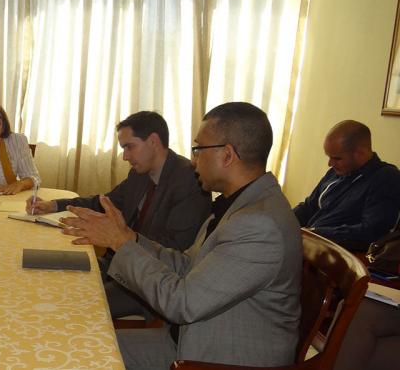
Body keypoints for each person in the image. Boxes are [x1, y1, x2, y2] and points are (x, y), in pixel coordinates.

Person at [62, 102, 302, 369]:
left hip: (213, 359)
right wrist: (129, 238)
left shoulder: (259, 224)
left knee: (79, 355)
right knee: (78, 341)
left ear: (227, 155)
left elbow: (182, 302)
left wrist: (120, 243)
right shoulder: (238, 205)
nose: (193, 159)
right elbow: (187, 265)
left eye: (198, 149)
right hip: (187, 340)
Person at [26, 111, 211, 319]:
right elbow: (104, 203)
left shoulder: (189, 180)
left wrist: (119, 238)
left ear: (153, 141)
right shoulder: (139, 175)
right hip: (119, 263)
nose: (125, 156)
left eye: (129, 147)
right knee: (50, 279)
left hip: (150, 281)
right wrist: (54, 205)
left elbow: (177, 248)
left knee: (71, 305)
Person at [294, 120, 400, 251]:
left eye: (337, 158)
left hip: (342, 256)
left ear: (360, 153)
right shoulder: (337, 171)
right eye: (329, 157)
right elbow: (309, 206)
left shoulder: (385, 178)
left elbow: (372, 231)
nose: (330, 163)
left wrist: (316, 233)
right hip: (309, 245)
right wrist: (283, 221)